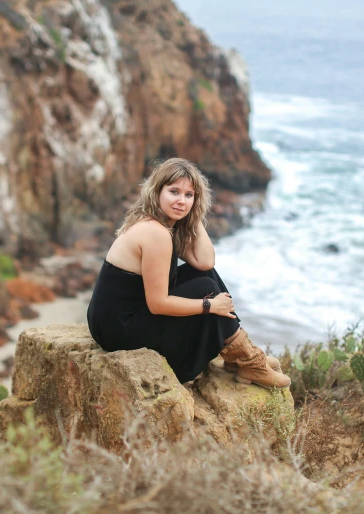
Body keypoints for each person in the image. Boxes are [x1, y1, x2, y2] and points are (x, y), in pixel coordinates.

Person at [86, 158, 290, 389]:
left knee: (204, 276)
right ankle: (247, 360)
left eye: (189, 195)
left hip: (114, 319)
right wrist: (209, 306)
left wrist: (193, 215)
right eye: (174, 192)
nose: (181, 201)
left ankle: (240, 356)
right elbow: (157, 304)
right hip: (119, 330)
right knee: (205, 289)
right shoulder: (156, 233)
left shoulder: (163, 224)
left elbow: (205, 262)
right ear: (157, 191)